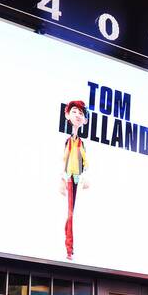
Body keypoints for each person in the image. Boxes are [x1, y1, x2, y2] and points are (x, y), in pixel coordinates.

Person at [60, 99, 90, 259]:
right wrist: (62, 179)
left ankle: (70, 249)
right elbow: (64, 160)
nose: (78, 115)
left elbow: (85, 162)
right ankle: (68, 248)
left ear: (84, 120)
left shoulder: (80, 142)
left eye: (80, 113)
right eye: (74, 112)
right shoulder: (68, 141)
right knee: (70, 213)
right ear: (67, 115)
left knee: (73, 214)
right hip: (70, 179)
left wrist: (85, 177)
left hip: (78, 179)